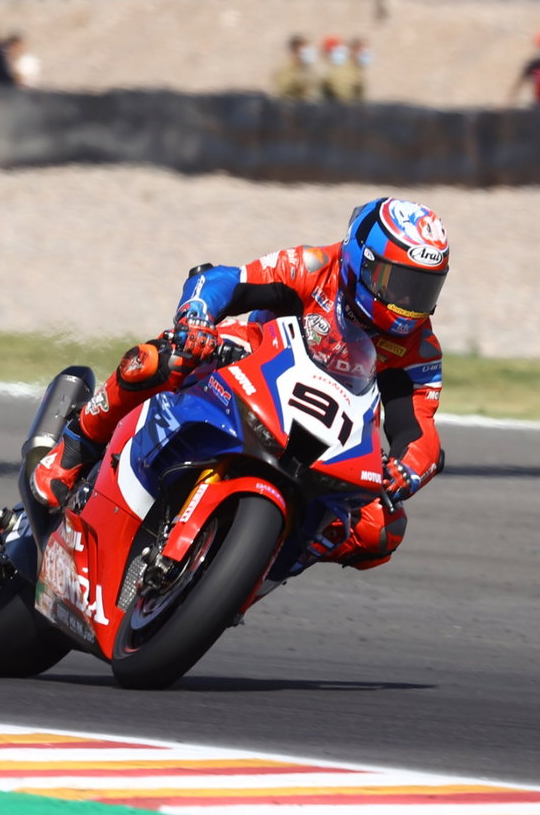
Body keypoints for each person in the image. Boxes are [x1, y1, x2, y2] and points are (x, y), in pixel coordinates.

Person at [31, 197, 450, 571]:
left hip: (331, 428)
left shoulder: (420, 346)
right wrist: (196, 316)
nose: (409, 304)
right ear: (362, 260)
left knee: (382, 527)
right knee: (160, 360)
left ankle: (259, 570)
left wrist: (409, 469)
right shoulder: (315, 266)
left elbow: (420, 430)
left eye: (423, 289)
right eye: (400, 284)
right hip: (252, 365)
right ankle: (74, 449)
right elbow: (224, 281)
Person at [319, 36, 366, 104]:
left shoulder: (355, 70)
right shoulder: (341, 71)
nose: (362, 53)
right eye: (358, 49)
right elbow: (343, 94)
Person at [272, 33, 318, 102]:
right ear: (296, 52)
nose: (309, 52)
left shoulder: (309, 69)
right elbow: (284, 89)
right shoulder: (285, 71)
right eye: (305, 49)